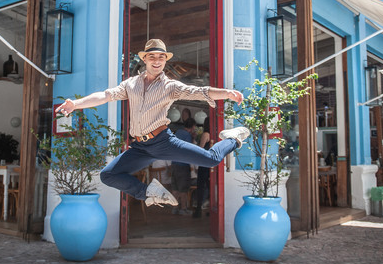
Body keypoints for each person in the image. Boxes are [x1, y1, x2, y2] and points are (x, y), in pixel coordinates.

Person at [55, 39, 250, 207]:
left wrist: (225, 93)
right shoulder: (130, 84)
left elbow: (199, 91)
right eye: (152, 57)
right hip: (140, 146)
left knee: (212, 159)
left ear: (165, 60)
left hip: (162, 142)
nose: (157, 61)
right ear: (144, 59)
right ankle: (150, 193)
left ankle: (233, 138)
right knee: (108, 175)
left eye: (161, 57)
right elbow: (105, 96)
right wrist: (76, 104)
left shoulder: (170, 86)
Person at [171, 118, 196, 214]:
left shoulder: (177, 133)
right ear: (192, 126)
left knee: (175, 187)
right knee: (183, 188)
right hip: (183, 164)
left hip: (174, 163)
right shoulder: (187, 135)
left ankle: (174, 208)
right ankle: (183, 209)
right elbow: (188, 150)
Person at [193, 116, 211, 218]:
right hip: (210, 164)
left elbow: (201, 149)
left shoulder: (205, 134)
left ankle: (198, 209)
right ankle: (210, 209)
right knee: (209, 187)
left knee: (201, 186)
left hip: (204, 164)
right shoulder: (214, 134)